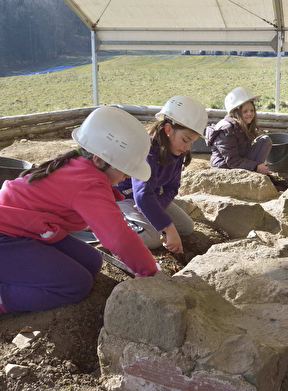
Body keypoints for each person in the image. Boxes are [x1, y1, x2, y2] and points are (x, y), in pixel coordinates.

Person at [0, 106, 158, 314]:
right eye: (125, 168)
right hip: (7, 236)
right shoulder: (89, 184)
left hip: (28, 229)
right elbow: (118, 237)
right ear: (100, 160)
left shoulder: (82, 166)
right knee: (75, 285)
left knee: (92, 261)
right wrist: (149, 271)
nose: (129, 176)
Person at [116, 95, 208, 254]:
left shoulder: (177, 152)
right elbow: (142, 193)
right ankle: (109, 226)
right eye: (185, 139)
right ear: (168, 130)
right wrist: (168, 228)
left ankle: (147, 217)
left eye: (191, 142)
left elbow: (172, 187)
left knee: (186, 227)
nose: (187, 147)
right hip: (124, 197)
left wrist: (157, 204)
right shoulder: (147, 151)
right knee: (152, 237)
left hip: (147, 198)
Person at [205, 86, 272, 174]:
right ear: (235, 113)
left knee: (265, 141)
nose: (250, 114)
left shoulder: (244, 124)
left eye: (252, 110)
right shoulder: (226, 130)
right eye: (245, 111)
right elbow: (232, 161)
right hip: (225, 169)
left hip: (239, 161)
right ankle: (255, 174)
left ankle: (256, 174)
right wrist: (256, 167)